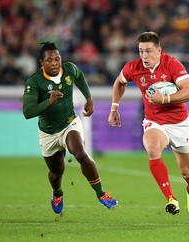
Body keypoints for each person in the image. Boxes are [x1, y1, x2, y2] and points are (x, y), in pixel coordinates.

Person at [108, 31, 189, 216]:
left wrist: (164, 98)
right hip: (154, 120)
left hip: (179, 123)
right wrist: (114, 108)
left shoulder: (171, 64)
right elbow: (120, 82)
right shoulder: (133, 67)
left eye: (149, 51)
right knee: (152, 149)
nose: (144, 56)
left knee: (187, 172)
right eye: (141, 51)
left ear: (159, 50)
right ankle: (171, 199)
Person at [22, 42, 118, 214]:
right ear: (41, 62)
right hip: (48, 133)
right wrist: (48, 101)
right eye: (49, 60)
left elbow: (79, 76)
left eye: (57, 58)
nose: (54, 63)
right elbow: (28, 112)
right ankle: (57, 193)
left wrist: (89, 98)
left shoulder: (69, 70)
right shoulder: (34, 82)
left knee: (80, 153)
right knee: (57, 172)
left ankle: (101, 194)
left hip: (70, 123)